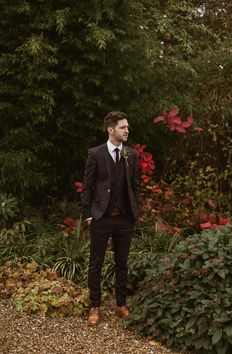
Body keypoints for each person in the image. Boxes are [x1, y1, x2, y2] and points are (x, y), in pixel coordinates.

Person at [81, 111, 140, 325]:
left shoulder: (131, 155)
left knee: (122, 263)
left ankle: (120, 304)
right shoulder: (95, 154)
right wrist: (88, 215)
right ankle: (94, 306)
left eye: (127, 127)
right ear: (111, 129)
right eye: (123, 127)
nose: (127, 130)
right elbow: (87, 187)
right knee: (96, 262)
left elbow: (135, 186)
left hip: (125, 219)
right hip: (101, 218)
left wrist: (135, 212)